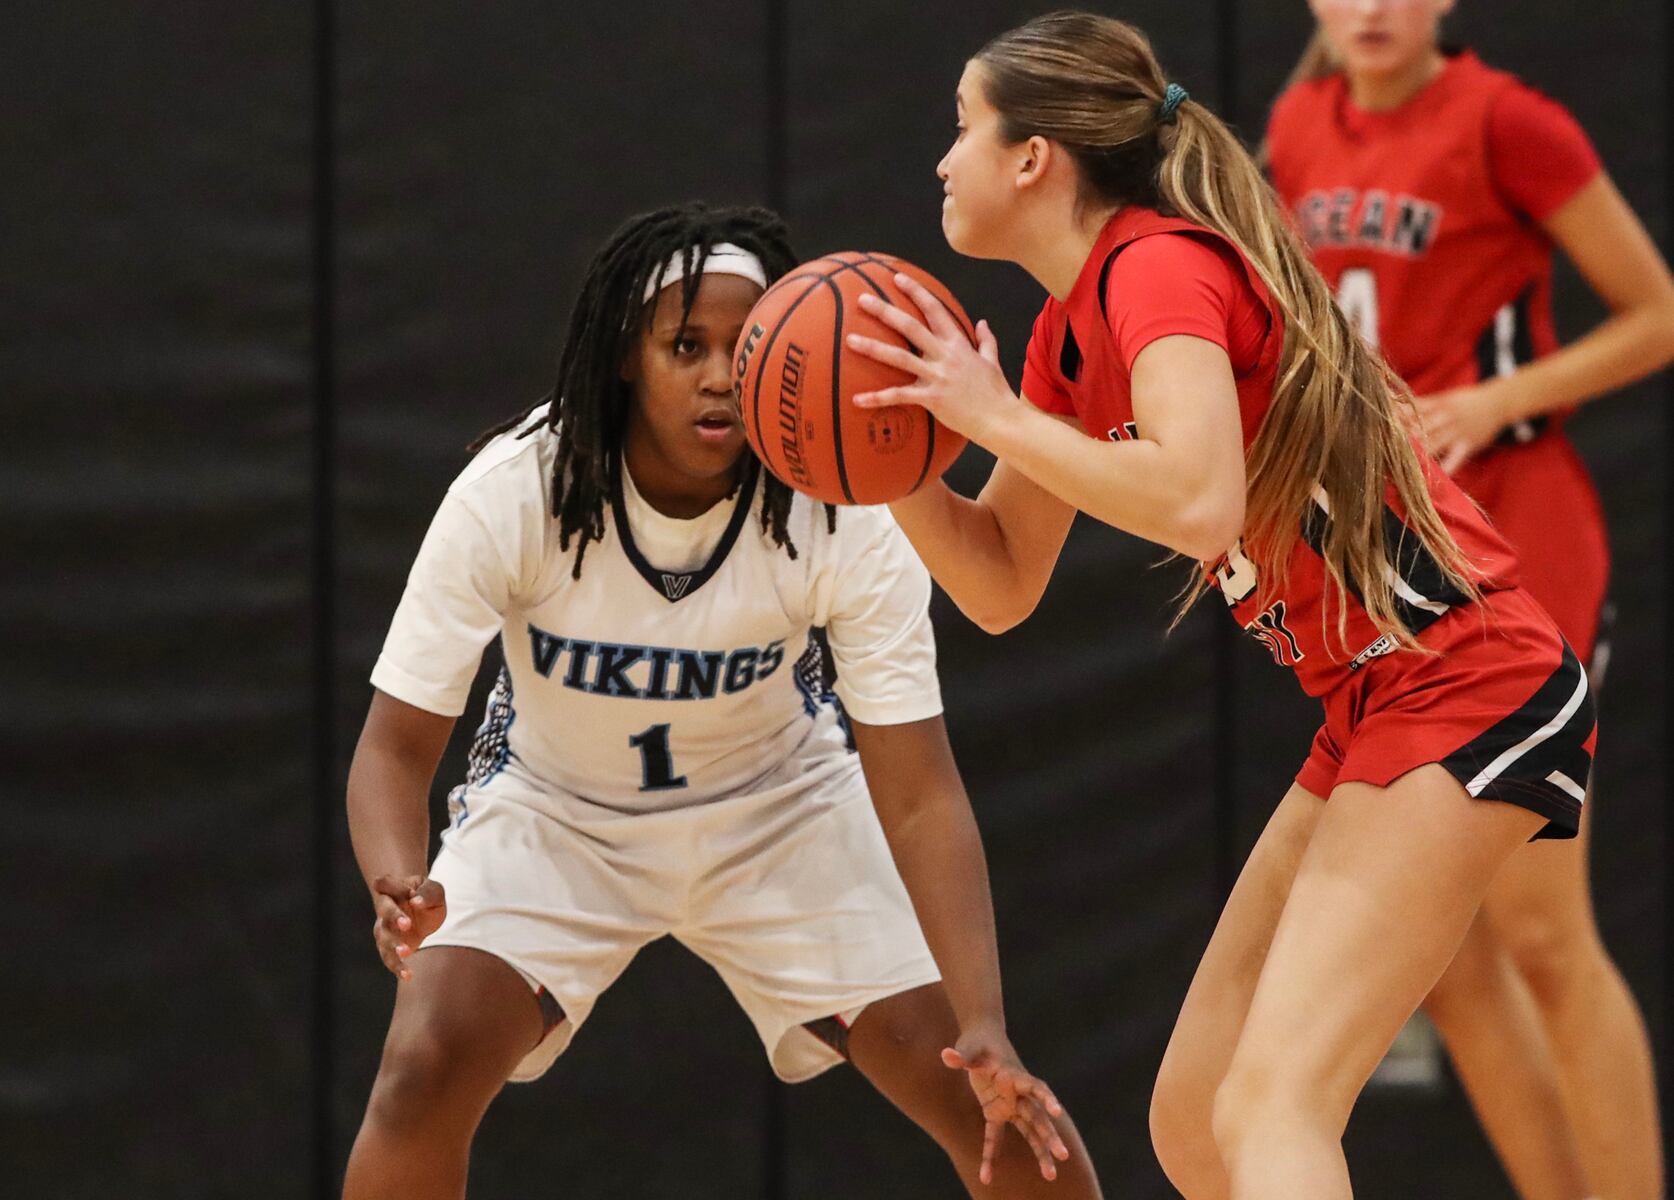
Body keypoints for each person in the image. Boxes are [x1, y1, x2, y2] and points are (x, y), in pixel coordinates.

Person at [843, 13, 1599, 1199]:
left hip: (1467, 672)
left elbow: (1199, 501)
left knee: (1275, 1102)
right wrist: (881, 465)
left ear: (1033, 157)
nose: (943, 161)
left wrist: (989, 417)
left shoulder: (1157, 265)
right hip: (1373, 695)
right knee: (1199, 1120)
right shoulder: (1064, 340)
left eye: (962, 129)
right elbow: (996, 583)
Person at [339, 202, 1102, 1199]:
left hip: (780, 812)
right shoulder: (519, 488)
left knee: (993, 1105)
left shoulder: (845, 510)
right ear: (625, 357)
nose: (716, 374)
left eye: (745, 349)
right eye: (683, 345)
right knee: (418, 1073)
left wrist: (985, 1019)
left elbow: (920, 795)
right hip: (558, 812)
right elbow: (392, 750)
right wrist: (398, 882)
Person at [1265, 5, 1674, 1197]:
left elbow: (1658, 313)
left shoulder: (1509, 121)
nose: (1375, 9)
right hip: (1399, 555)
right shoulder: (1295, 125)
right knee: (1444, 956)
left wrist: (1500, 400)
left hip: (1523, 532)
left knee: (1545, 933)